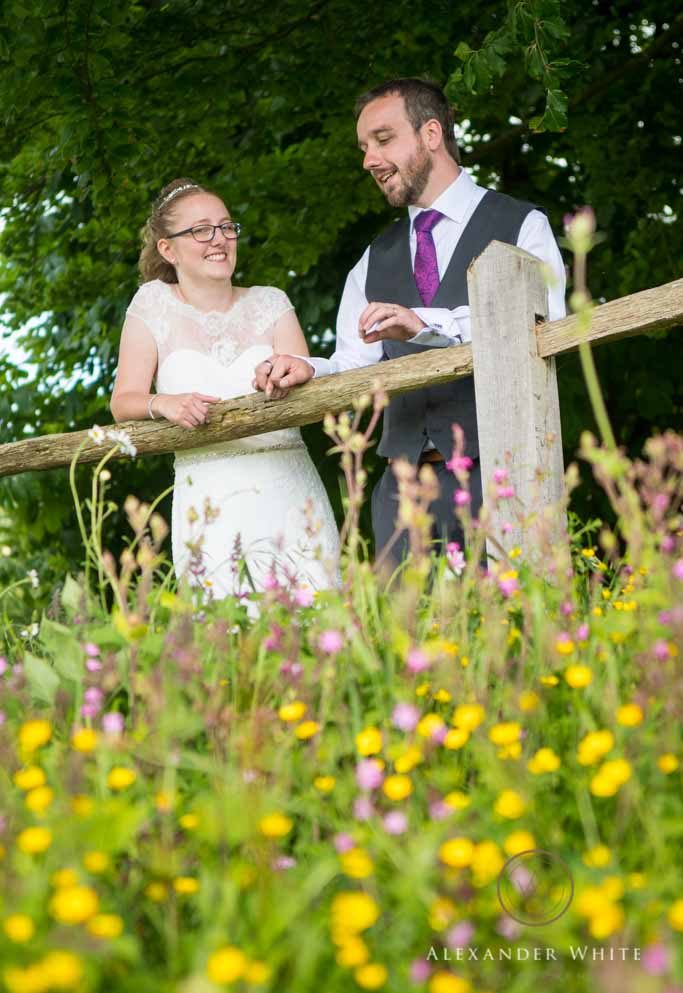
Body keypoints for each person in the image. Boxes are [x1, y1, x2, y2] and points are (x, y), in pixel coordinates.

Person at [252, 78, 566, 565]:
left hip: (503, 474)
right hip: (401, 493)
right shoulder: (372, 260)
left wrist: (423, 323)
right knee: (401, 636)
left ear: (431, 134)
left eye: (383, 139)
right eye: (363, 147)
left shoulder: (523, 225)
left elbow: (548, 323)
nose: (369, 160)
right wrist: (312, 369)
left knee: (514, 630)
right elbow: (355, 366)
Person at [111, 178, 340, 601]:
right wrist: (164, 403)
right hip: (208, 500)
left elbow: (305, 385)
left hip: (288, 491)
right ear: (168, 249)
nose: (219, 239)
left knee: (316, 630)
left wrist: (288, 374)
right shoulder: (152, 305)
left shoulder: (272, 303)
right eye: (201, 230)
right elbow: (123, 402)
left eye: (226, 227)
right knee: (224, 643)